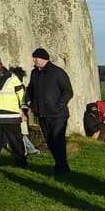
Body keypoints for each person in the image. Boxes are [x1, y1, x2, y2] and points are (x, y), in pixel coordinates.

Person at [25, 47, 73, 177]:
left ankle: (61, 169)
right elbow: (30, 89)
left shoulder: (57, 72)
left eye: (36, 57)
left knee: (57, 140)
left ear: (42, 58)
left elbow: (68, 91)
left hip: (58, 114)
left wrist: (60, 105)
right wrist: (29, 101)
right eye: (34, 57)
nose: (34, 60)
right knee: (50, 141)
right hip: (42, 113)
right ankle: (63, 167)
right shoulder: (35, 73)